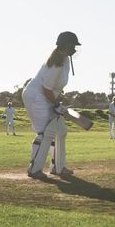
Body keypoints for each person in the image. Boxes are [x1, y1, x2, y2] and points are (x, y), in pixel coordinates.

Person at [22, 31, 81, 178]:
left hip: (45, 97)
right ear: (66, 46)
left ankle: (58, 167)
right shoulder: (57, 63)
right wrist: (56, 104)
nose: (75, 49)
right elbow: (46, 89)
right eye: (73, 45)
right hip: (36, 97)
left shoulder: (65, 60)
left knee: (60, 131)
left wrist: (57, 102)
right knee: (44, 132)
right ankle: (34, 169)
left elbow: (55, 88)